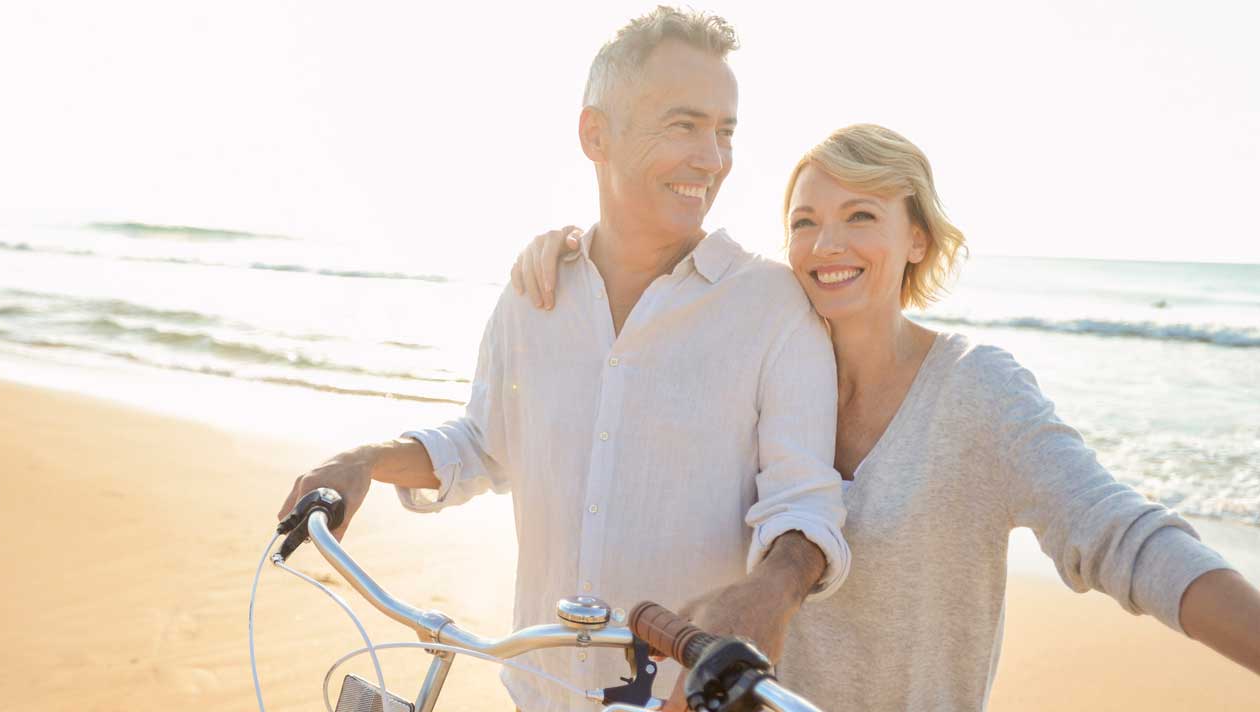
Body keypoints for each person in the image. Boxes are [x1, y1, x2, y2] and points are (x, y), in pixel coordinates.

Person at [512, 123, 1260, 709]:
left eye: (860, 214)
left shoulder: (978, 392)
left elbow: (1121, 538)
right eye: (804, 222)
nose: (826, 244)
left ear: (918, 239)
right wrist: (571, 254)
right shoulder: (756, 365)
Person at [276, 8, 853, 711]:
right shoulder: (534, 293)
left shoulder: (774, 306)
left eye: (725, 131)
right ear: (596, 134)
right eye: (684, 124)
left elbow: (805, 499)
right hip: (537, 690)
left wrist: (772, 589)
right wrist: (365, 461)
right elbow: (484, 443)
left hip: (683, 698)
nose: (713, 158)